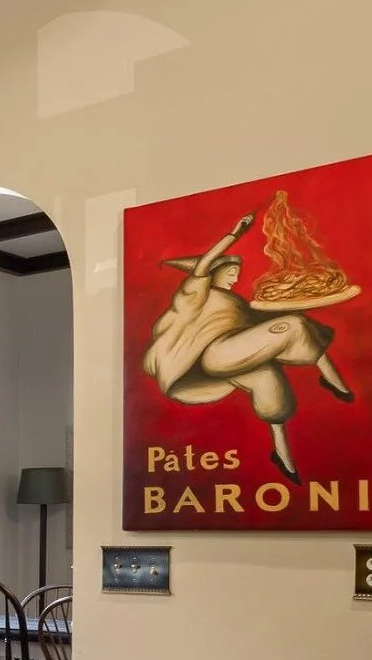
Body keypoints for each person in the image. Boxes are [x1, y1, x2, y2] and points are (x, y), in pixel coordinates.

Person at [141, 206, 354, 483]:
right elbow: (203, 266)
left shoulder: (237, 304)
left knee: (269, 378)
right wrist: (233, 235)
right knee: (294, 325)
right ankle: (334, 382)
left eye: (236, 272)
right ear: (213, 274)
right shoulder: (194, 295)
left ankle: (282, 455)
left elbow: (262, 330)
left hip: (229, 357)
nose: (235, 277)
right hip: (213, 355)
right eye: (231, 271)